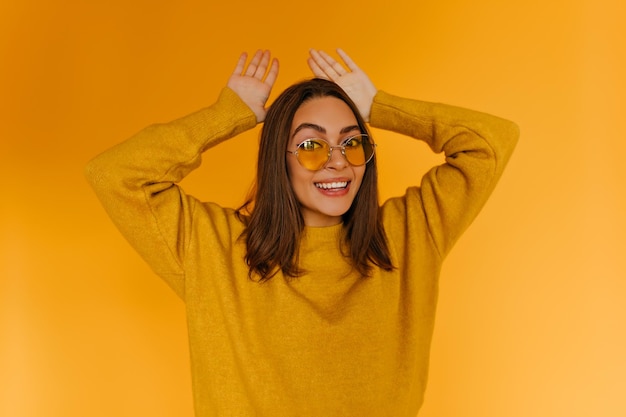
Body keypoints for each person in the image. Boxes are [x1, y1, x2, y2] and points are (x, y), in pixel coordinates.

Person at [85, 48, 519, 417]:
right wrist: (229, 115)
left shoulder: (411, 232)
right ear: (280, 158)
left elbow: (491, 143)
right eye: (311, 146)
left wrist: (377, 106)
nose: (337, 161)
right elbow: (113, 175)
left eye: (352, 142)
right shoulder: (212, 247)